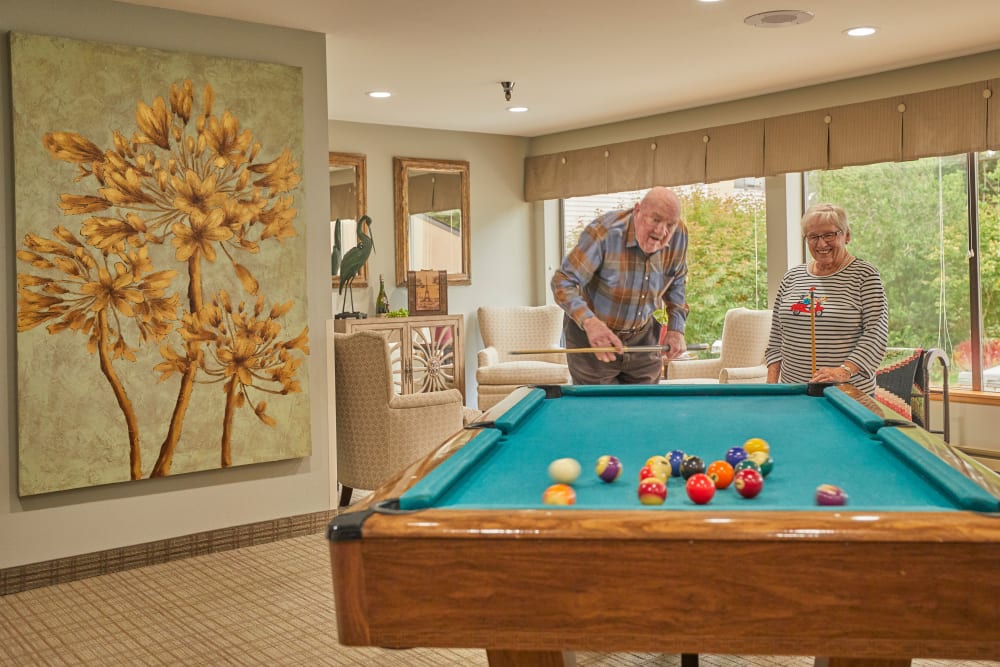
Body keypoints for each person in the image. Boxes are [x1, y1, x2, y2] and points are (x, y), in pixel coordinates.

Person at [551, 186, 689, 385]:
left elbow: (677, 280)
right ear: (637, 211)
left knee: (642, 410)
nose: (661, 231)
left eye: (670, 224)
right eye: (656, 220)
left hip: (642, 339)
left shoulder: (679, 235)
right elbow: (563, 282)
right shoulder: (604, 233)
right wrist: (591, 324)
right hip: (593, 339)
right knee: (601, 410)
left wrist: (676, 329)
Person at [765, 203, 888, 395]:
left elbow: (876, 335)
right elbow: (776, 338)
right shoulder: (792, 277)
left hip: (847, 395)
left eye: (829, 235)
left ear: (846, 235)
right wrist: (771, 386)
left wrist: (843, 371)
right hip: (793, 393)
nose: (821, 244)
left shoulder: (865, 275)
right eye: (813, 237)